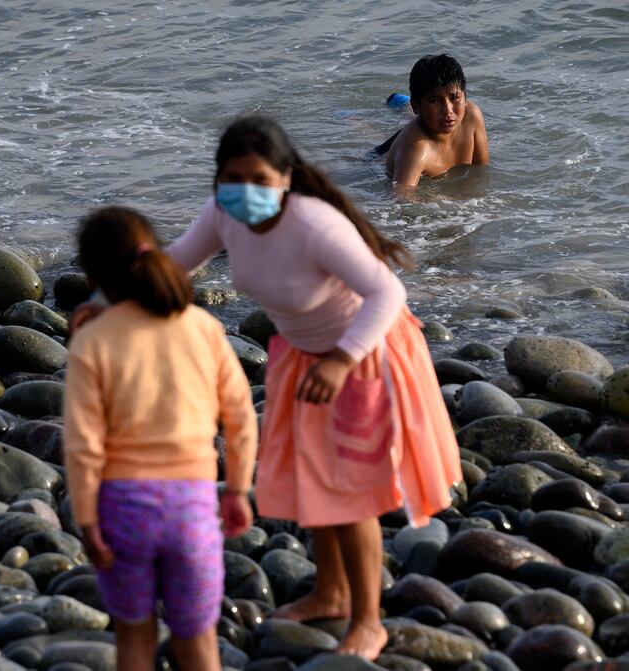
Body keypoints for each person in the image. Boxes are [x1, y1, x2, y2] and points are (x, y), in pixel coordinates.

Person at [164, 115, 463, 660]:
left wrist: (342, 360)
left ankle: (369, 622)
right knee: (312, 480)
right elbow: (174, 265)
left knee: (351, 494)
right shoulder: (223, 215)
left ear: (284, 178)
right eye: (232, 179)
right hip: (303, 358)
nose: (244, 192)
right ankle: (330, 592)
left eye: (258, 181)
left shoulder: (313, 224)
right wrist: (108, 298)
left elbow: (387, 292)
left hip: (363, 353)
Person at [62, 206, 258, 671]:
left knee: (134, 639)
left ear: (93, 276)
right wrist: (237, 490)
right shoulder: (203, 329)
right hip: (192, 509)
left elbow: (82, 444)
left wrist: (87, 522)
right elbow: (240, 419)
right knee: (199, 644)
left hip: (123, 510)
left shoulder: (93, 340)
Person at [376, 54, 489, 191]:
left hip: (425, 123)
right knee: (374, 138)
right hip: (386, 153)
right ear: (416, 106)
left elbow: (481, 168)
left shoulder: (472, 115)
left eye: (454, 98)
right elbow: (400, 199)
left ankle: (402, 102)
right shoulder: (416, 149)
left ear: (465, 98)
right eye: (434, 100)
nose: (448, 110)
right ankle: (352, 118)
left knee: (431, 117)